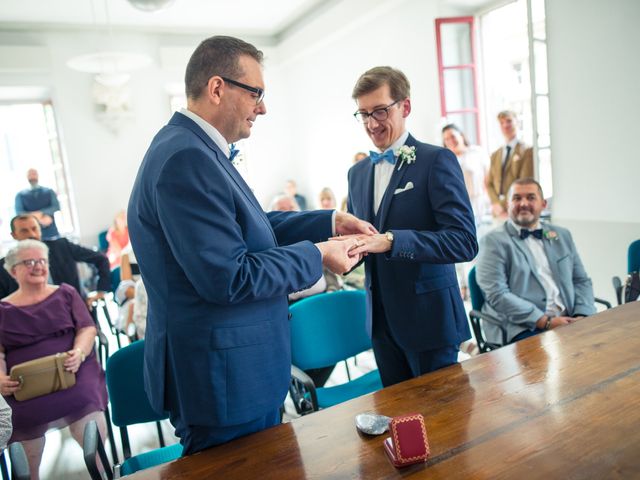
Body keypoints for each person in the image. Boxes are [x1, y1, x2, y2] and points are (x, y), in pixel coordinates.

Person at [127, 35, 374, 455]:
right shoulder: (186, 159)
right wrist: (317, 255)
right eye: (256, 93)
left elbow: (251, 228)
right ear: (218, 88)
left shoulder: (196, 149)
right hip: (222, 381)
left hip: (234, 373)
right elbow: (229, 277)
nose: (263, 107)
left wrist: (328, 220)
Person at [343, 66, 478, 387]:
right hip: (381, 324)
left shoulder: (437, 161)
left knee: (446, 425)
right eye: (363, 114)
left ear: (405, 107)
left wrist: (392, 241)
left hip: (430, 321)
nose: (371, 124)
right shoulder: (357, 173)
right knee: (400, 423)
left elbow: (463, 242)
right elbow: (363, 240)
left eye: (379, 111)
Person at [0, 239, 108, 479]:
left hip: (74, 371)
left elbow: (87, 329)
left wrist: (79, 353)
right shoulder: (2, 310)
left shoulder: (66, 293)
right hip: (24, 387)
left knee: (84, 398)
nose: (38, 266)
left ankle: (101, 470)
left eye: (42, 261)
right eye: (29, 262)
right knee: (16, 415)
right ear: (12, 270)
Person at [475, 178, 596, 345]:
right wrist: (544, 321)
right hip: (520, 326)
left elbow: (581, 280)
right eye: (517, 198)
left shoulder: (561, 235)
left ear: (544, 204)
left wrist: (582, 314)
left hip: (568, 319)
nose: (524, 203)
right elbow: (497, 294)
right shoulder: (492, 241)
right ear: (508, 204)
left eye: (531, 197)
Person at [0, 215, 110, 309]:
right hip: (28, 322)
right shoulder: (5, 266)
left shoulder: (62, 246)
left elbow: (101, 259)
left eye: (34, 229)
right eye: (24, 231)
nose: (32, 234)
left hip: (72, 311)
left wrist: (101, 291)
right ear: (14, 235)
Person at [442, 123, 490, 300]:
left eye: (453, 136)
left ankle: (483, 284)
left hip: (480, 206)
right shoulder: (446, 159)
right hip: (459, 209)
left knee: (482, 247)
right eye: (446, 139)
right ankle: (465, 287)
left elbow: (487, 179)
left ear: (461, 135)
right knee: (462, 248)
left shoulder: (476, 152)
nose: (451, 140)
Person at [485, 111, 534, 219]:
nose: (505, 125)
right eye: (501, 123)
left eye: (509, 121)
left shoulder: (527, 151)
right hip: (497, 212)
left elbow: (523, 182)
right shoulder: (495, 154)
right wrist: (495, 204)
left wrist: (503, 205)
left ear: (517, 123)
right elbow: (489, 184)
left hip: (516, 208)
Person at [14, 168, 61, 240]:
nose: (32, 177)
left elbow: (56, 206)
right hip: (30, 235)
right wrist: (36, 217)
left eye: (34, 174)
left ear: (38, 176)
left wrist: (41, 213)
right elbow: (19, 212)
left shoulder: (49, 191)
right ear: (27, 177)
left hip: (51, 232)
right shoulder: (20, 195)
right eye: (30, 174)